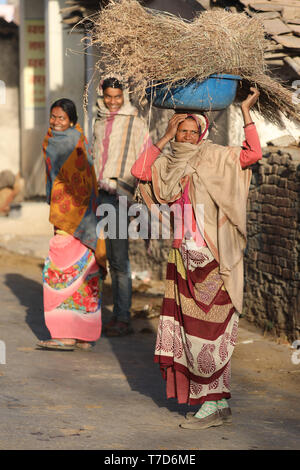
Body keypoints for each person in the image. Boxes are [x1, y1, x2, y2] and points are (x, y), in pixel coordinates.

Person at [131, 87, 262, 429]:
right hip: (182, 261)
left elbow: (252, 154)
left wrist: (246, 111)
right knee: (190, 332)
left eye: (193, 131)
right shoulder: (168, 162)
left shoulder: (216, 156)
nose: (187, 136)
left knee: (209, 331)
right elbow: (139, 170)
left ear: (204, 131)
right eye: (182, 131)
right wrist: (165, 136)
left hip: (214, 261)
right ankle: (214, 403)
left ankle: (211, 403)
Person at [37, 98, 106, 351]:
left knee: (60, 277)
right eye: (53, 117)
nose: (56, 122)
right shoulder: (74, 138)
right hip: (82, 217)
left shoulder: (68, 141)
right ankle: (83, 335)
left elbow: (79, 180)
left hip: (74, 218)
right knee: (83, 274)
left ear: (72, 121)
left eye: (61, 118)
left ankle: (65, 335)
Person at [93, 77, 151, 337]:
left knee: (118, 259)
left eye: (118, 97)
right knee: (101, 257)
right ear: (102, 95)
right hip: (100, 195)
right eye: (109, 96)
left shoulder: (135, 123)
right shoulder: (98, 121)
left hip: (120, 196)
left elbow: (145, 156)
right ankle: (104, 314)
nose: (113, 102)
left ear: (124, 96)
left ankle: (122, 317)